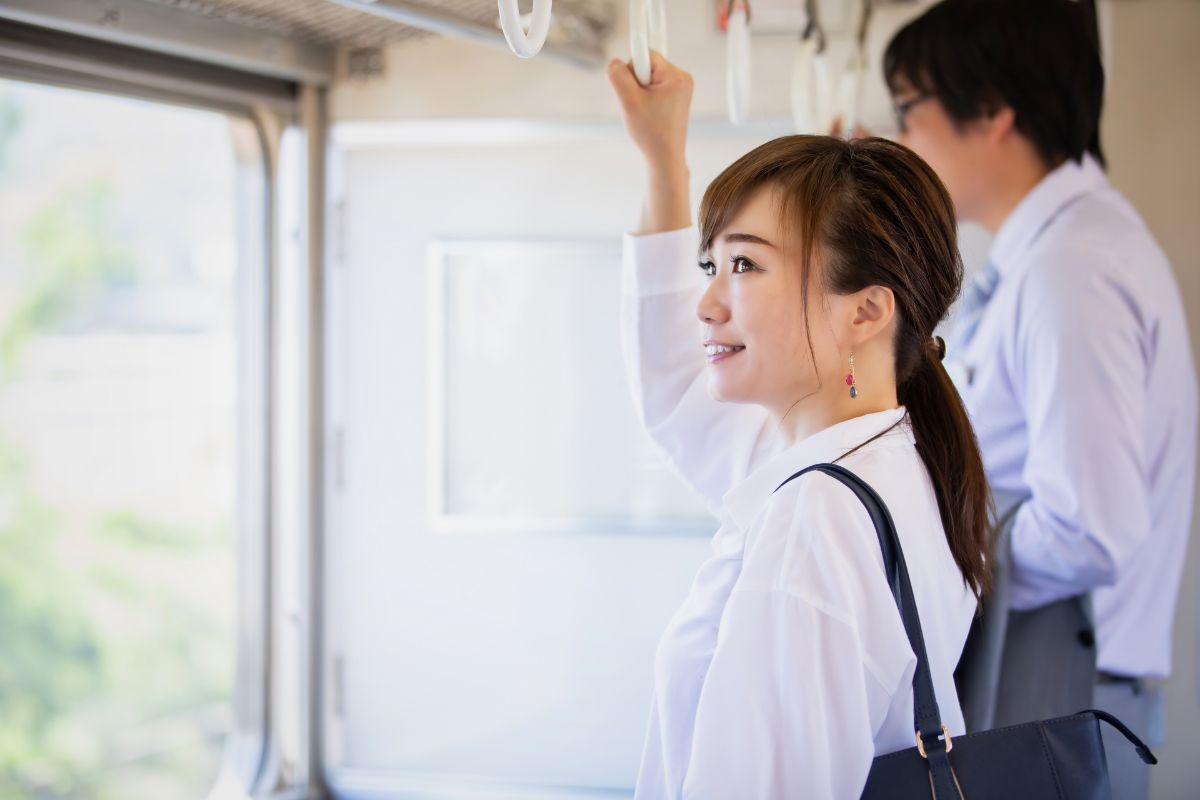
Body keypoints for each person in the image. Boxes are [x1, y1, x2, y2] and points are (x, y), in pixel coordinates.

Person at [608, 56, 992, 794]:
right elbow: (677, 392)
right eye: (710, 265)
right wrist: (663, 161)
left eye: (745, 267)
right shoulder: (889, 456)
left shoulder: (818, 520)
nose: (707, 303)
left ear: (866, 311)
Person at [882, 2, 1197, 797]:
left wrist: (939, 556)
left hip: (1060, 698)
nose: (901, 142)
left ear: (991, 109)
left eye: (907, 113)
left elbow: (1091, 530)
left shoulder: (1072, 270)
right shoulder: (1055, 255)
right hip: (1059, 695)